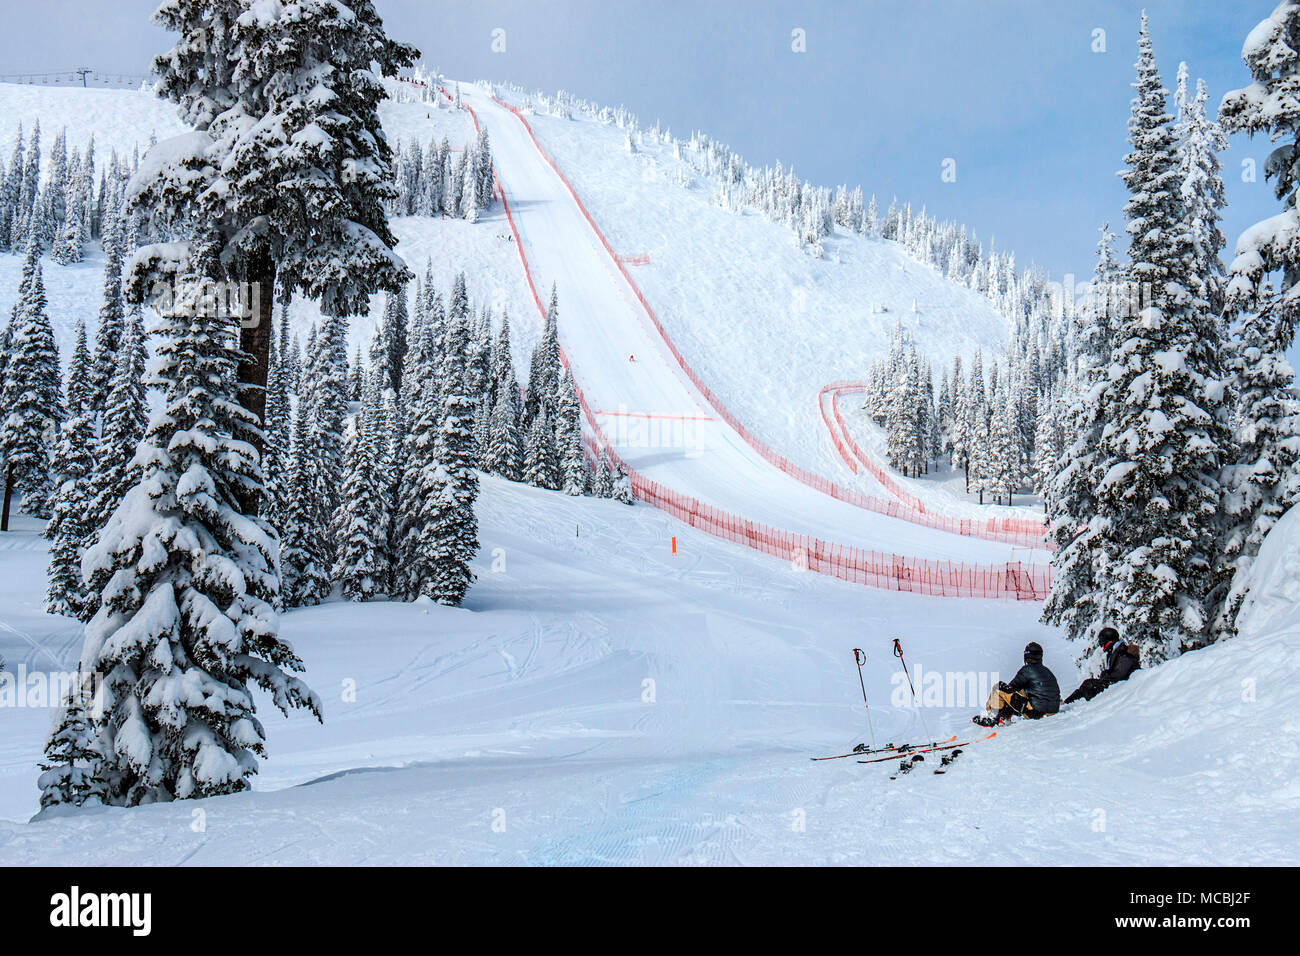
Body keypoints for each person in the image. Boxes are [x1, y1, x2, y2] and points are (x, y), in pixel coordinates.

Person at [973, 641, 1060, 726]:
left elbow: (1010, 689)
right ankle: (1004, 716)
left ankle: (993, 718)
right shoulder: (1047, 671)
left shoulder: (1027, 670)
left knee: (999, 688)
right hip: (1053, 710)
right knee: (1022, 691)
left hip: (1036, 712)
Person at [1063, 627, 1141, 704]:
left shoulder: (1124, 654)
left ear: (1110, 641)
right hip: (1116, 684)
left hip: (1122, 686)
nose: (1102, 647)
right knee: (1088, 684)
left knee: (1088, 685)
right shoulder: (1115, 652)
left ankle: (1068, 704)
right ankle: (1068, 702)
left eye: (1103, 644)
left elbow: (1119, 675)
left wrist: (1106, 676)